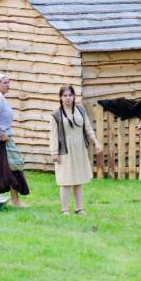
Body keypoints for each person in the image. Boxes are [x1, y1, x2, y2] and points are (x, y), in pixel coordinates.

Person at [49, 84, 100, 215]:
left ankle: (79, 208)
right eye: (65, 95)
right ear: (60, 97)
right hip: (64, 150)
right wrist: (54, 152)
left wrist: (95, 142)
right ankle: (65, 209)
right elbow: (53, 135)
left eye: (70, 95)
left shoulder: (80, 110)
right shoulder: (56, 114)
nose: (67, 98)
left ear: (74, 97)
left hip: (79, 149)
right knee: (65, 180)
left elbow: (88, 128)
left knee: (78, 179)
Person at [0, 74, 29, 207]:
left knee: (13, 168)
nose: (8, 85)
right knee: (1, 171)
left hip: (5, 140)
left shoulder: (0, 98)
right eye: (4, 83)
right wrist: (0, 135)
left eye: (9, 82)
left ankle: (15, 201)